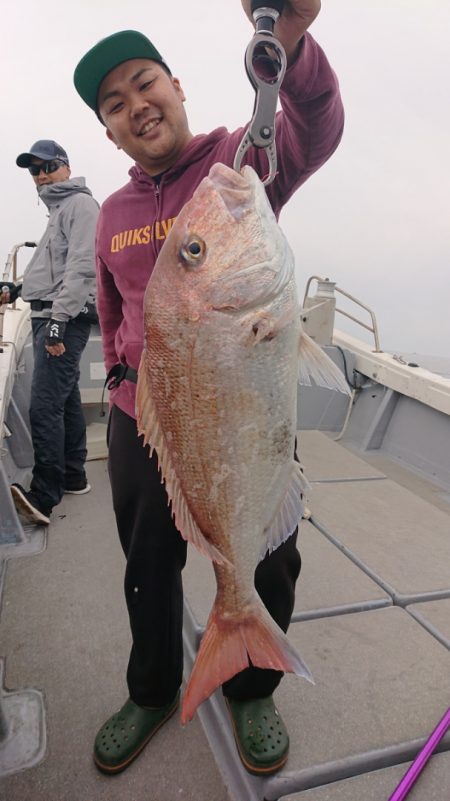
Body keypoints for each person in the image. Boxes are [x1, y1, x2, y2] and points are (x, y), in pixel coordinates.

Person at [73, 0, 344, 777]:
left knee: (271, 555)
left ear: (176, 85)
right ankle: (153, 687)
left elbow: (315, 129)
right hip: (142, 416)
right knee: (146, 565)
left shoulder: (235, 162)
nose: (135, 105)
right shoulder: (113, 212)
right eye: (114, 103)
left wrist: (292, 43)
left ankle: (252, 686)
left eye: (144, 82)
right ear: (109, 131)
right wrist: (119, 376)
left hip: (242, 419)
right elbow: (112, 307)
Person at [1, 140, 99, 526]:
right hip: (51, 314)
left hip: (62, 319)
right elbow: (51, 270)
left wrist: (59, 320)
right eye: (34, 170)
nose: (42, 175)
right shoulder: (58, 211)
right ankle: (74, 476)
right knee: (67, 398)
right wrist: (17, 289)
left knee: (44, 407)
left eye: (48, 166)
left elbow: (82, 267)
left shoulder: (80, 206)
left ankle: (44, 496)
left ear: (66, 167)